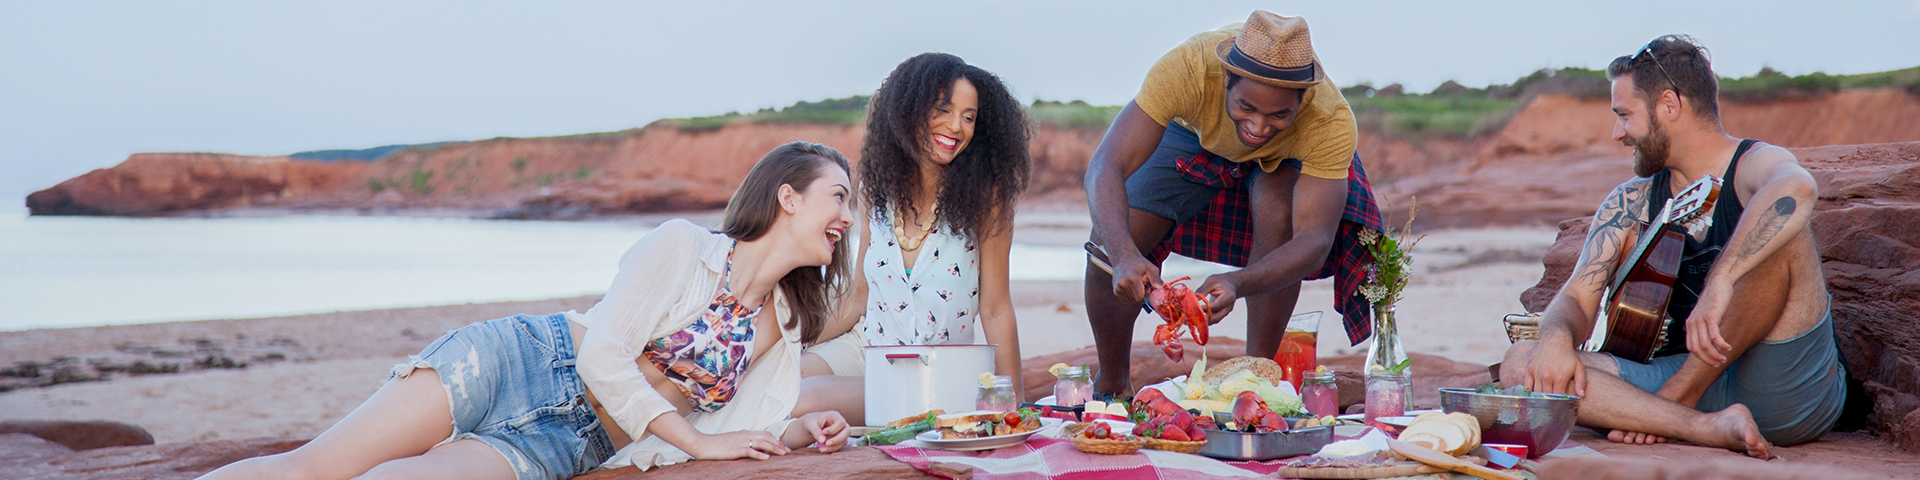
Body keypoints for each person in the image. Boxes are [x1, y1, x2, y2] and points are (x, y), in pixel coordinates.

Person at [200, 142, 857, 480]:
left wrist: (810, 430)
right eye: (838, 197)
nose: (847, 218)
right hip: (517, 363)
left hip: (566, 444)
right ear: (788, 197)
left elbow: (749, 422)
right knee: (317, 469)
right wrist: (698, 443)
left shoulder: (785, 322)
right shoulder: (682, 246)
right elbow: (603, 353)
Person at [1499, 35, 1845, 459]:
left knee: (1780, 230)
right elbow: (1576, 295)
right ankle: (1703, 426)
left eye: (1624, 115)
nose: (1617, 133)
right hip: (1677, 380)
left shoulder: (1753, 164)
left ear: (1669, 106)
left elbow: (1798, 188)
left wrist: (1722, 278)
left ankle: (1674, 405)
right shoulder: (1632, 199)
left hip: (1781, 384)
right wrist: (1555, 337)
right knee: (1521, 365)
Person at [1081, 10, 1383, 397]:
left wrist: (1236, 283)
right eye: (1246, 107)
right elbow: (1105, 166)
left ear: (1303, 100)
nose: (1258, 127)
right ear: (1225, 78)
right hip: (1194, 135)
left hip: (1285, 159)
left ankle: (1253, 381)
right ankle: (1112, 384)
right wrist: (1123, 254)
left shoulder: (1330, 119)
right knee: (1110, 241)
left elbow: (1313, 242)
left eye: (1278, 113)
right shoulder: (1188, 66)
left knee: (1280, 212)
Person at [794, 52, 1031, 426]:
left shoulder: (987, 201)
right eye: (943, 110)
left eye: (969, 117)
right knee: (778, 379)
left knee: (801, 399)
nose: (956, 126)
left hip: (938, 369)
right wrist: (790, 345)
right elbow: (860, 293)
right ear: (909, 111)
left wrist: (1013, 401)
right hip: (867, 348)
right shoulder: (877, 189)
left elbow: (996, 307)